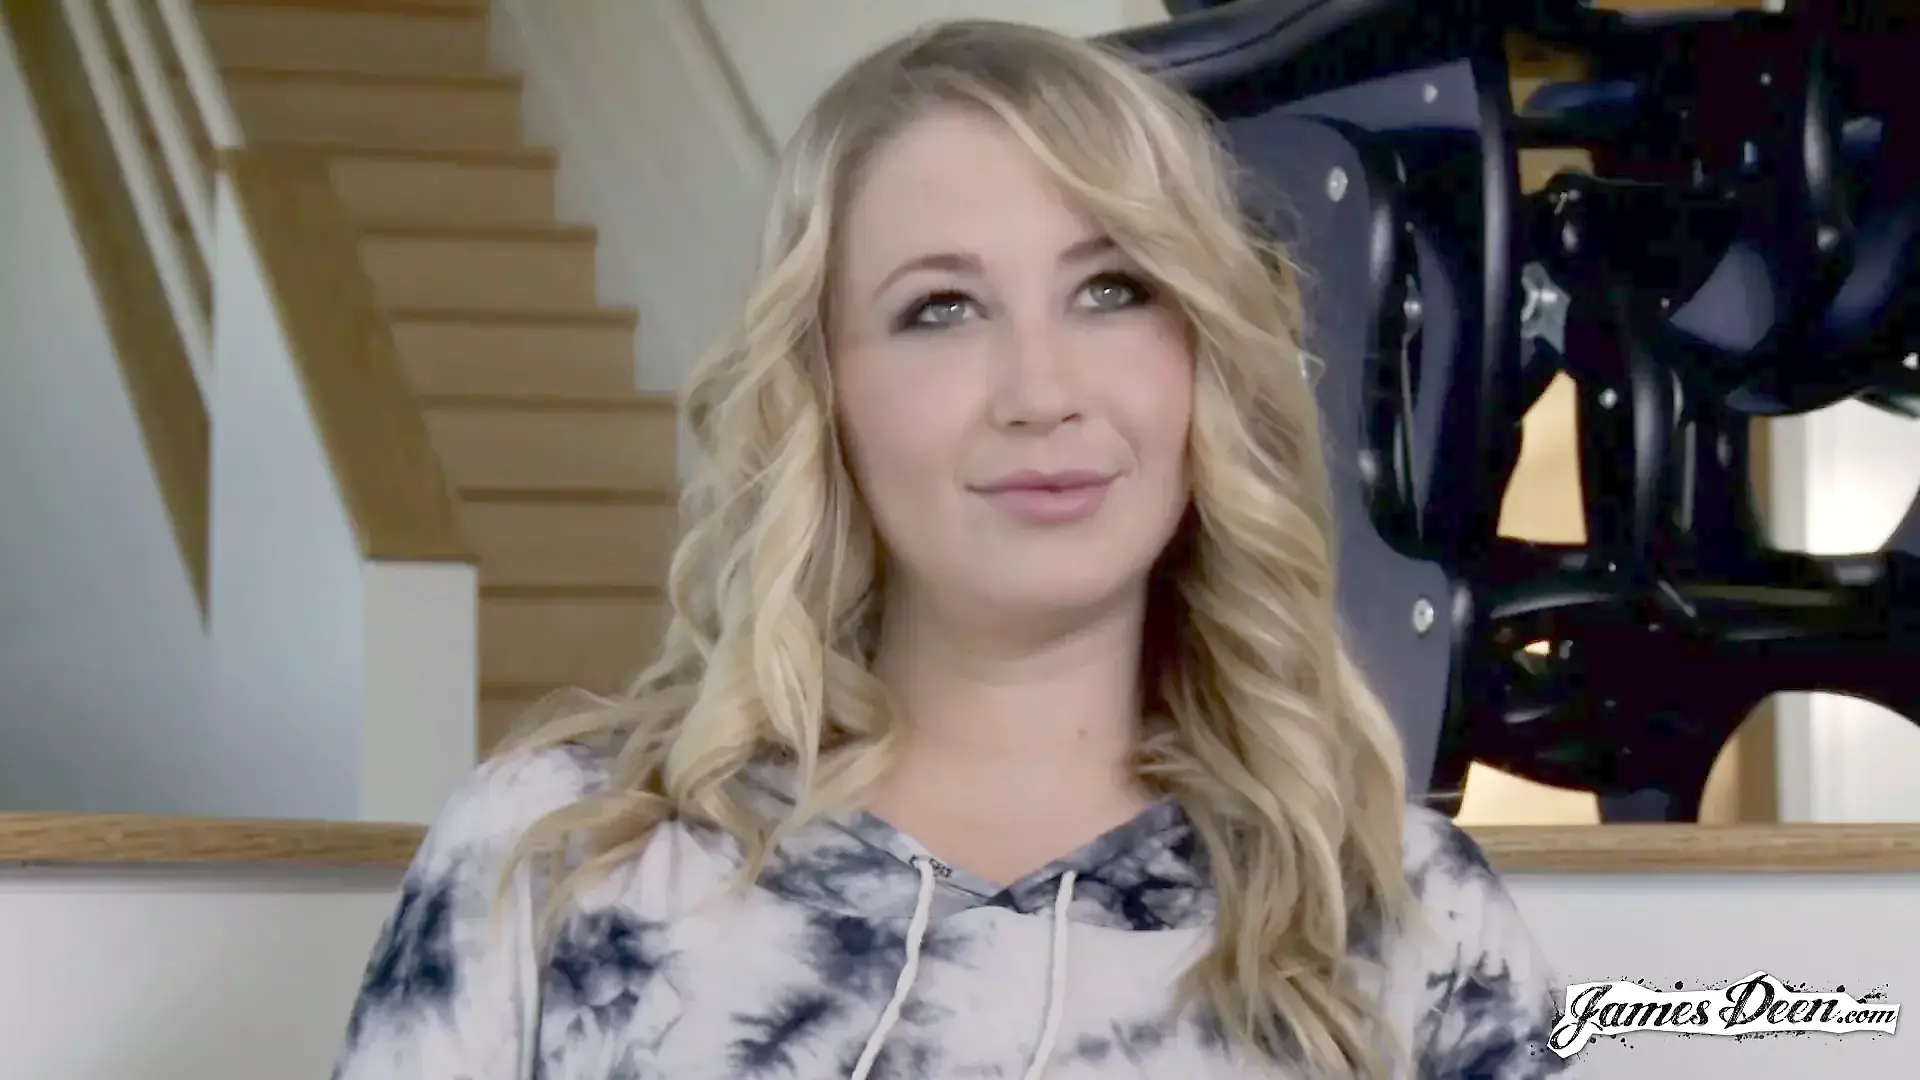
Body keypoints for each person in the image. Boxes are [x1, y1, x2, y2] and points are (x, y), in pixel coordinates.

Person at [329, 18, 1567, 1080]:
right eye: (942, 308)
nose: (1041, 391)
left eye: (1112, 289)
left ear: (1206, 359)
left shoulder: (1404, 918)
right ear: (822, 397)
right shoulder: (558, 861)